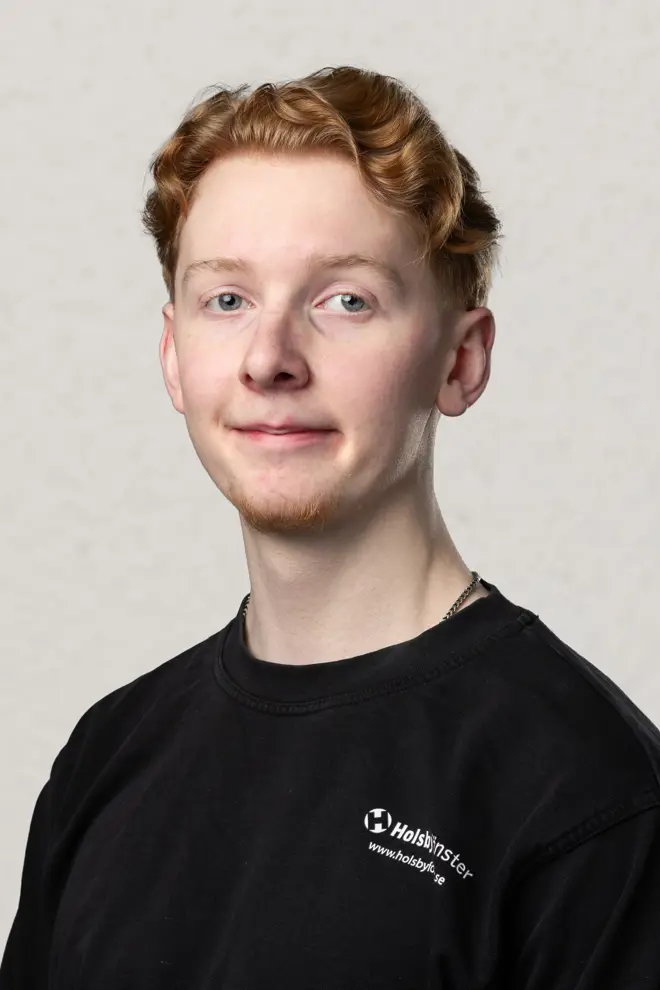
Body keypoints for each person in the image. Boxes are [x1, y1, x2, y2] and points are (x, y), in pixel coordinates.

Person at [2, 64, 660, 990]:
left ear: (461, 361)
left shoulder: (588, 793)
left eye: (344, 300)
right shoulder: (107, 756)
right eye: (228, 300)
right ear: (174, 355)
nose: (270, 358)